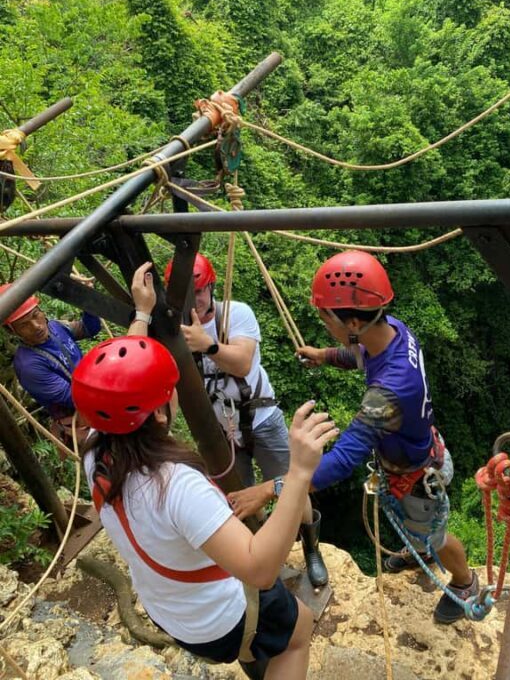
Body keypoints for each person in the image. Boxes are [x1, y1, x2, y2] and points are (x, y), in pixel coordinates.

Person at [74, 262, 338, 678]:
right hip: (216, 620)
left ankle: (258, 650)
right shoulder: (176, 485)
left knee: (260, 636)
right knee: (299, 630)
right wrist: (301, 470)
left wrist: (142, 316)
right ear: (161, 413)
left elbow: (119, 381)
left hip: (170, 610)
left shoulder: (94, 452)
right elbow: (260, 570)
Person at [227, 251, 479, 625]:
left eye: (327, 318)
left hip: (417, 476)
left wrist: (267, 489)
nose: (324, 324)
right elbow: (360, 354)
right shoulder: (394, 331)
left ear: (355, 321)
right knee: (419, 531)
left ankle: (464, 583)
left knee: (436, 538)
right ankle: (418, 549)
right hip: (414, 454)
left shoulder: (389, 393)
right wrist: (323, 355)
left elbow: (339, 463)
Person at [164, 253, 328, 588]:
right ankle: (263, 553)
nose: (193, 300)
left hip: (261, 417)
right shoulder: (172, 332)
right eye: (185, 294)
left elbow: (241, 363)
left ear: (210, 287)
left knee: (292, 486)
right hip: (221, 430)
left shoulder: (236, 313)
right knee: (239, 499)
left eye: (199, 291)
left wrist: (207, 345)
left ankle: (311, 548)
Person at [0, 283, 101, 446]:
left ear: (41, 311)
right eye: (24, 325)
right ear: (13, 331)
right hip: (82, 422)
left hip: (96, 399)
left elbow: (90, 328)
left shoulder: (55, 328)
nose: (36, 326)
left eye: (35, 315)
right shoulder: (29, 366)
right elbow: (74, 397)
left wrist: (85, 298)